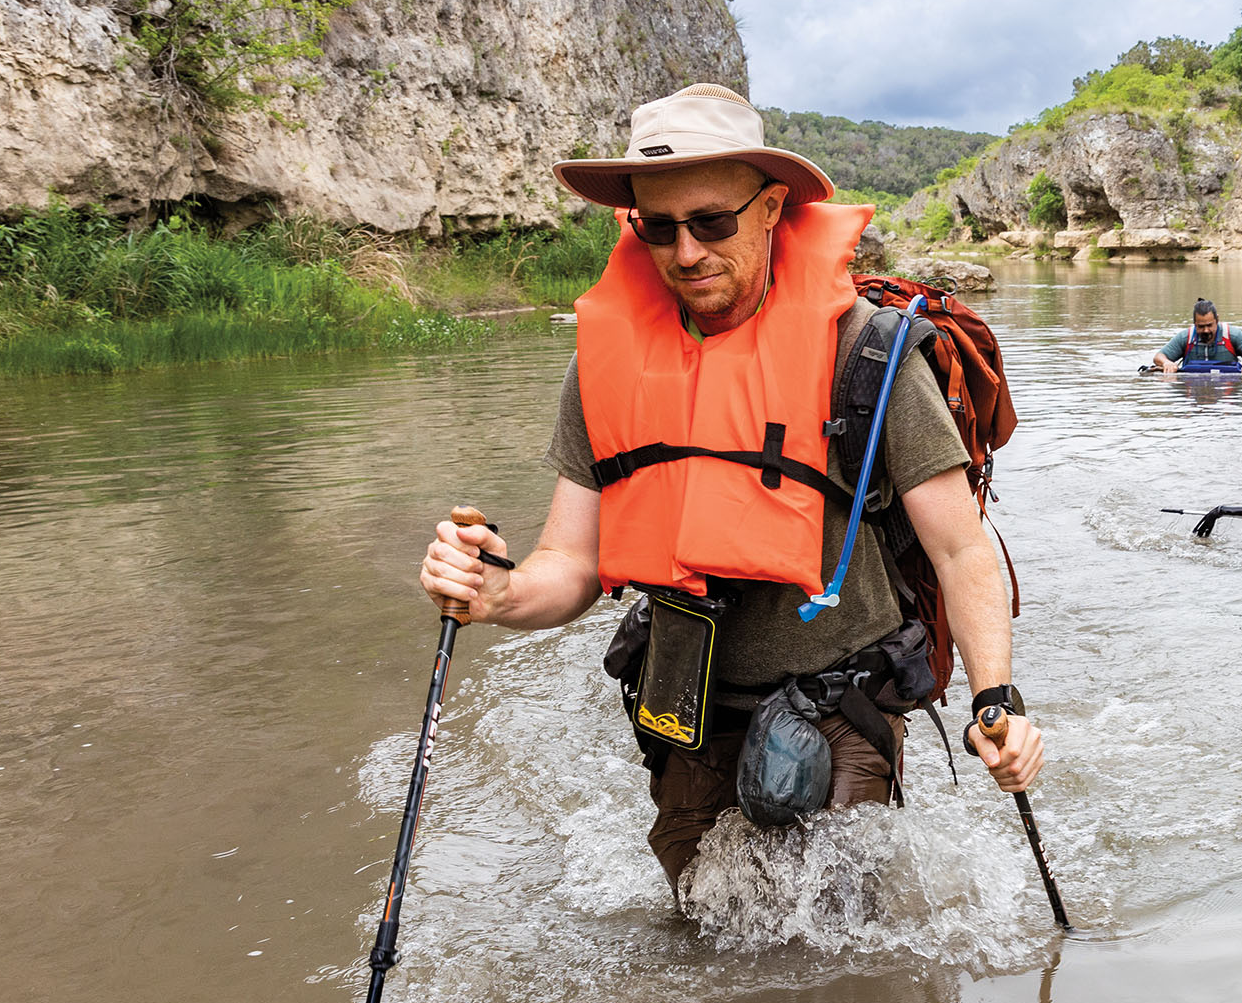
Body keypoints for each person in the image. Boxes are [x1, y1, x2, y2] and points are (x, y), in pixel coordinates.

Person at [417, 83, 1042, 899]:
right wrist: (497, 592)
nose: (686, 253)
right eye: (658, 227)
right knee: (703, 928)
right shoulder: (605, 368)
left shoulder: (872, 356)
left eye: (712, 222)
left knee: (841, 940)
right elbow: (567, 565)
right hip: (690, 707)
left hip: (840, 702)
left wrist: (996, 701)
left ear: (773, 206)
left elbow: (960, 548)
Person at [1151, 299, 1242, 372]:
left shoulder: (1232, 335)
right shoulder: (1186, 337)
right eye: (1201, 326)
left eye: (1209, 325)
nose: (1206, 330)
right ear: (1194, 324)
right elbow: (1159, 356)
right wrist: (1167, 363)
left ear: (1217, 320)